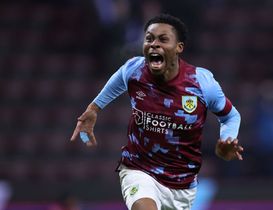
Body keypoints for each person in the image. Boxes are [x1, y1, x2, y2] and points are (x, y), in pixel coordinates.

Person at [71, 14, 243, 210]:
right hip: (139, 170)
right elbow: (119, 80)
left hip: (183, 186)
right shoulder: (134, 70)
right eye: (149, 38)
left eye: (163, 39)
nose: (153, 44)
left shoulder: (201, 82)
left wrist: (227, 139)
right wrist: (94, 108)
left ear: (179, 47)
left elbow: (230, 116)